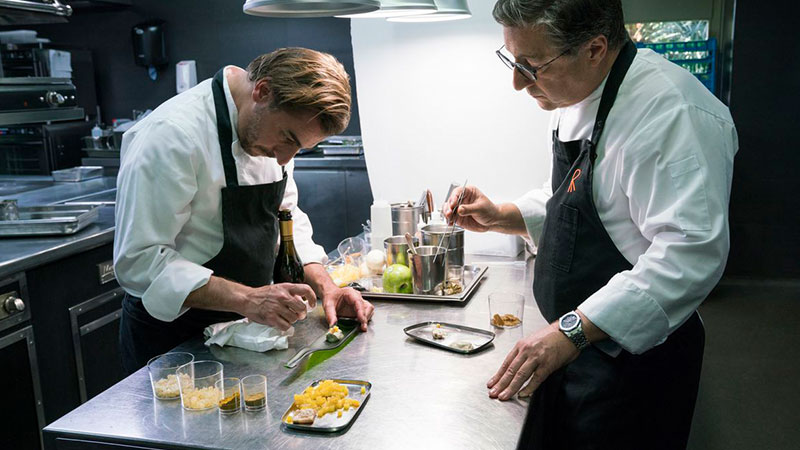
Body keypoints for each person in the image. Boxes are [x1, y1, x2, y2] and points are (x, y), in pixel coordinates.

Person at [445, 1, 737, 448]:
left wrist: (573, 329)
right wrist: (504, 215)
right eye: (512, 61)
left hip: (635, 364)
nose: (518, 83)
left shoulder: (672, 113)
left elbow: (689, 253)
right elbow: (585, 198)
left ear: (595, 49)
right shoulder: (578, 93)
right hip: (575, 346)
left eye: (531, 66)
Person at [115, 47, 374, 374]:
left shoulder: (272, 136)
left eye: (299, 148)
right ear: (262, 92)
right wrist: (249, 299)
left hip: (244, 333)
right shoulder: (172, 135)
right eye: (287, 138)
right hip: (172, 341)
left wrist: (328, 288)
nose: (284, 158)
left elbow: (286, 218)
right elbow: (138, 260)